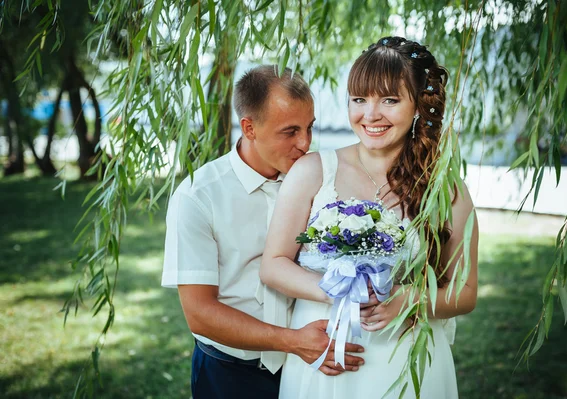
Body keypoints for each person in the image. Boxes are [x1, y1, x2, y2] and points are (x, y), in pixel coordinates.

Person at [260, 37, 479, 398]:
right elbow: (274, 264)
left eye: (389, 100)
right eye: (359, 99)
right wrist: (343, 293)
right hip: (328, 357)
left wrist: (407, 299)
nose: (371, 114)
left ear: (419, 105)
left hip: (408, 363)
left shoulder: (446, 190)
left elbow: (465, 292)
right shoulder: (314, 171)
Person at [161, 65, 365, 399]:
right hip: (230, 373)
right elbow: (199, 313)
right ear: (249, 128)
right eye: (290, 132)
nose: (305, 143)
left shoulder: (320, 181)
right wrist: (293, 341)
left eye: (309, 128)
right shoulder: (198, 197)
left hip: (311, 369)